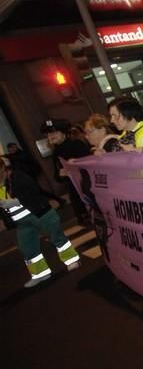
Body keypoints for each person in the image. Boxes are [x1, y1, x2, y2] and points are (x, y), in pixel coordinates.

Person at [0, 160, 80, 288]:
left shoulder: (18, 176)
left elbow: (34, 190)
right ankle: (40, 273)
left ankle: (72, 260)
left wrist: (16, 201)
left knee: (57, 237)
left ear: (3, 167)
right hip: (22, 222)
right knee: (27, 247)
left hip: (40, 213)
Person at [40, 119, 91, 225]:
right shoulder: (56, 152)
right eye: (48, 133)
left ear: (63, 132)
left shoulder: (76, 144)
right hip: (74, 192)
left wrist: (75, 167)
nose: (50, 136)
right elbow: (56, 176)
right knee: (85, 222)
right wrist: (60, 174)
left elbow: (90, 164)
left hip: (87, 188)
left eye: (54, 132)